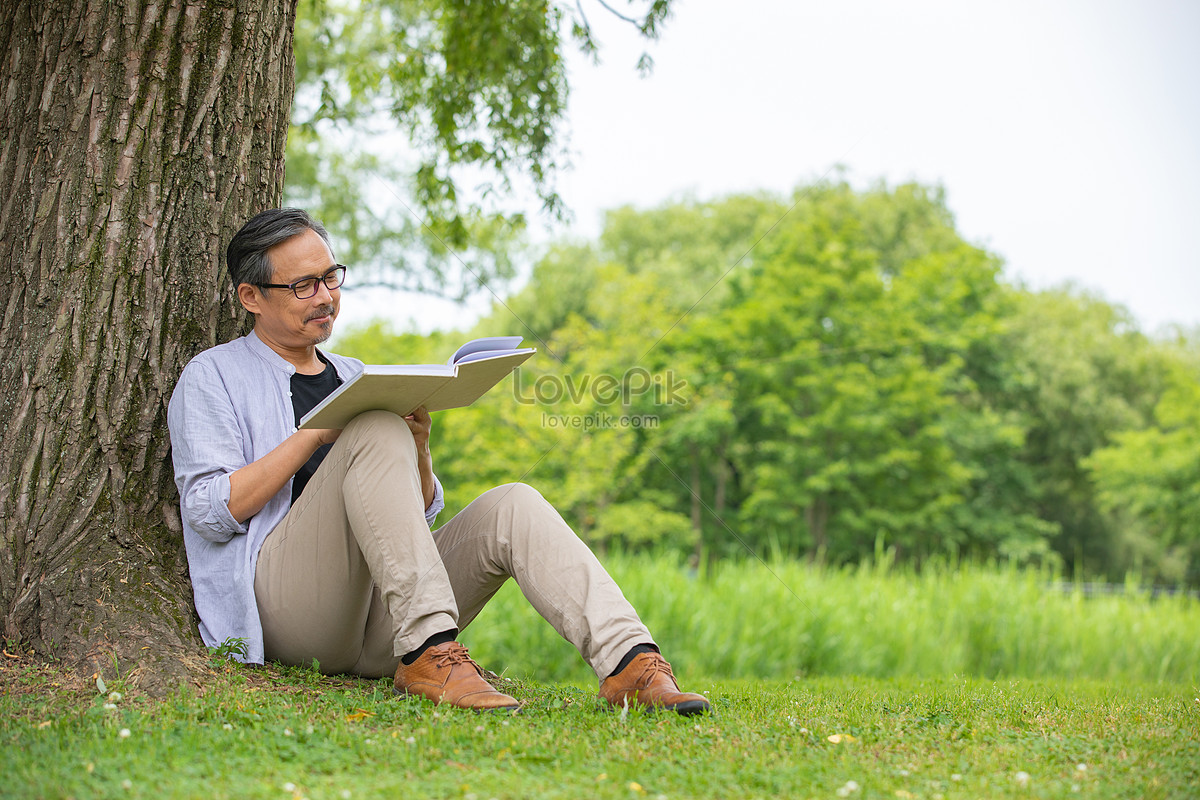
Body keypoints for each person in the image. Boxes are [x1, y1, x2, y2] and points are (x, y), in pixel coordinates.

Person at [168, 208, 709, 715]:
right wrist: (316, 434)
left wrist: (420, 448)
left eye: (331, 278)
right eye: (303, 286)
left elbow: (416, 521)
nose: (325, 297)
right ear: (251, 297)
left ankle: (629, 666)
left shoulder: (356, 372)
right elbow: (209, 511)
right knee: (375, 424)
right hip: (292, 616)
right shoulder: (213, 375)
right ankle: (432, 650)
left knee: (513, 504)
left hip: (384, 630)